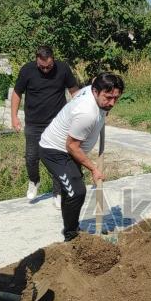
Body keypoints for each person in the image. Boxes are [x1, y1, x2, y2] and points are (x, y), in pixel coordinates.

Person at [39, 73, 123, 241]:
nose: (112, 103)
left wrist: (104, 109)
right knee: (76, 193)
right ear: (95, 91)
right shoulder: (87, 112)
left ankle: (72, 228)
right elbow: (71, 146)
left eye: (116, 98)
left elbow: (94, 82)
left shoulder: (91, 92)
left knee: (71, 191)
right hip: (55, 151)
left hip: (69, 151)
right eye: (108, 98)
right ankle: (71, 236)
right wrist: (94, 169)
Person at [11, 46, 79, 208]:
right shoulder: (27, 70)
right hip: (34, 123)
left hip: (58, 123)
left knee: (57, 158)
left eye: (49, 66)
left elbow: (74, 91)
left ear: (53, 59)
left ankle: (58, 192)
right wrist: (14, 117)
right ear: (37, 60)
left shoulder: (63, 68)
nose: (46, 70)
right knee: (31, 157)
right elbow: (17, 93)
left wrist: (81, 109)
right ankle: (34, 181)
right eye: (42, 67)